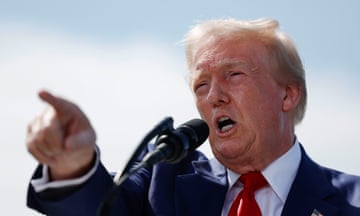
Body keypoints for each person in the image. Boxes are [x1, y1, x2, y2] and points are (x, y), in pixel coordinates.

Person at [26, 18, 360, 216]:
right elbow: (100, 208)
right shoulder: (164, 178)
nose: (214, 96)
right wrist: (73, 163)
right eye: (202, 84)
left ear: (287, 94)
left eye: (234, 75)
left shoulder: (352, 201)